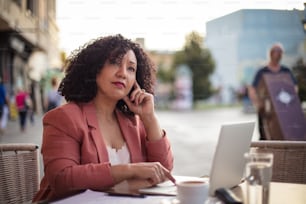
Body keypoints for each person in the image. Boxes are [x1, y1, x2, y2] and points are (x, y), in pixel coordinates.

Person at [33, 35, 175, 202]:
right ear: (95, 68)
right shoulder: (64, 118)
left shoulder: (134, 121)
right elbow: (62, 180)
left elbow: (164, 170)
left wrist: (150, 118)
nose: (123, 73)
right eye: (115, 62)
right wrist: (130, 170)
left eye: (131, 69)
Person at [248, 43, 298, 140]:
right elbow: (252, 88)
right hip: (266, 108)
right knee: (265, 135)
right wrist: (257, 103)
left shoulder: (285, 71)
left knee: (284, 134)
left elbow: (294, 87)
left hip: (283, 108)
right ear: (270, 54)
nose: (277, 54)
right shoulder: (262, 71)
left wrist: (291, 101)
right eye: (275, 51)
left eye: (280, 52)